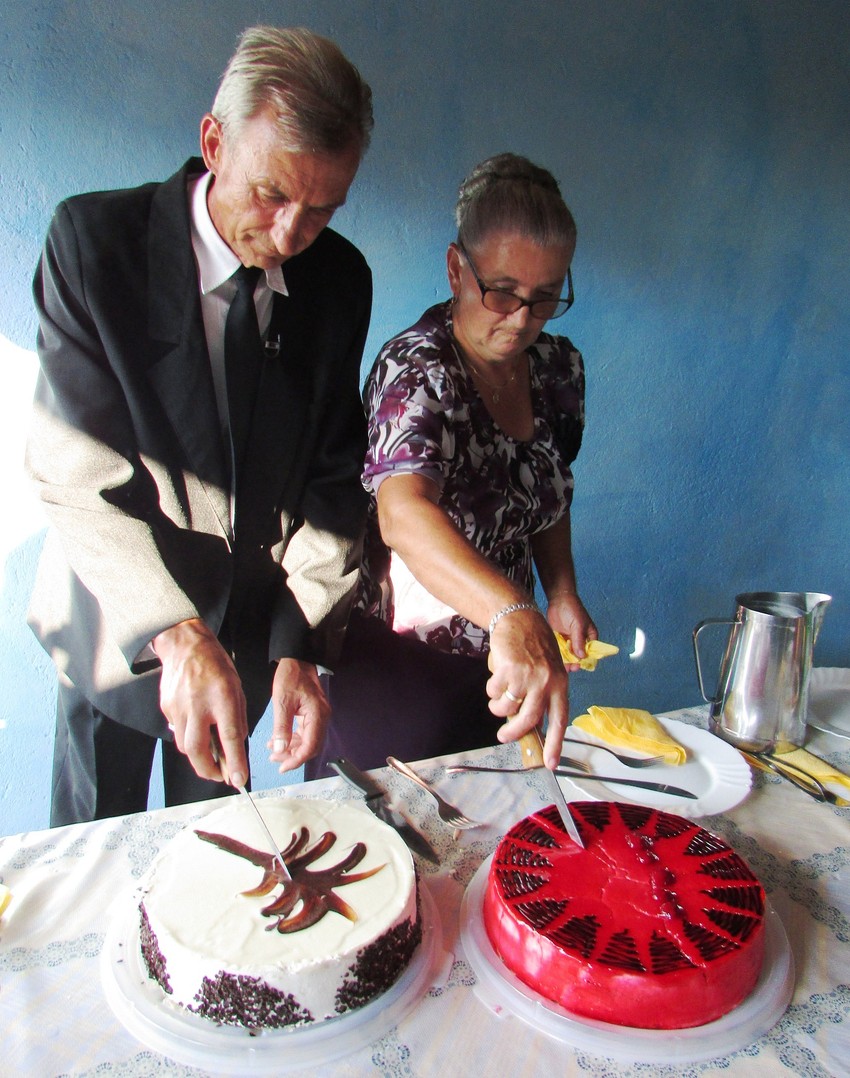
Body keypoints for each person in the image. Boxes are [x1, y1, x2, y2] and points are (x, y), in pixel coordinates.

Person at [26, 26, 374, 825]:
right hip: (117, 620)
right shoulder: (92, 244)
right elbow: (77, 475)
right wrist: (177, 636)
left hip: (254, 630)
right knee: (92, 852)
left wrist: (302, 643)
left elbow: (331, 475)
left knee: (216, 853)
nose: (290, 236)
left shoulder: (340, 279)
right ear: (214, 141)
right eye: (272, 195)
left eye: (322, 210)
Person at [305, 153, 596, 780]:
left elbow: (547, 494)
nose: (521, 320)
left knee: (495, 833)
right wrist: (514, 612)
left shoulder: (556, 369)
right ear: (456, 268)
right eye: (503, 293)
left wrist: (562, 592)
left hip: (498, 658)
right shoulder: (418, 370)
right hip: (397, 667)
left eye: (545, 299)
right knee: (392, 844)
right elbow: (404, 514)